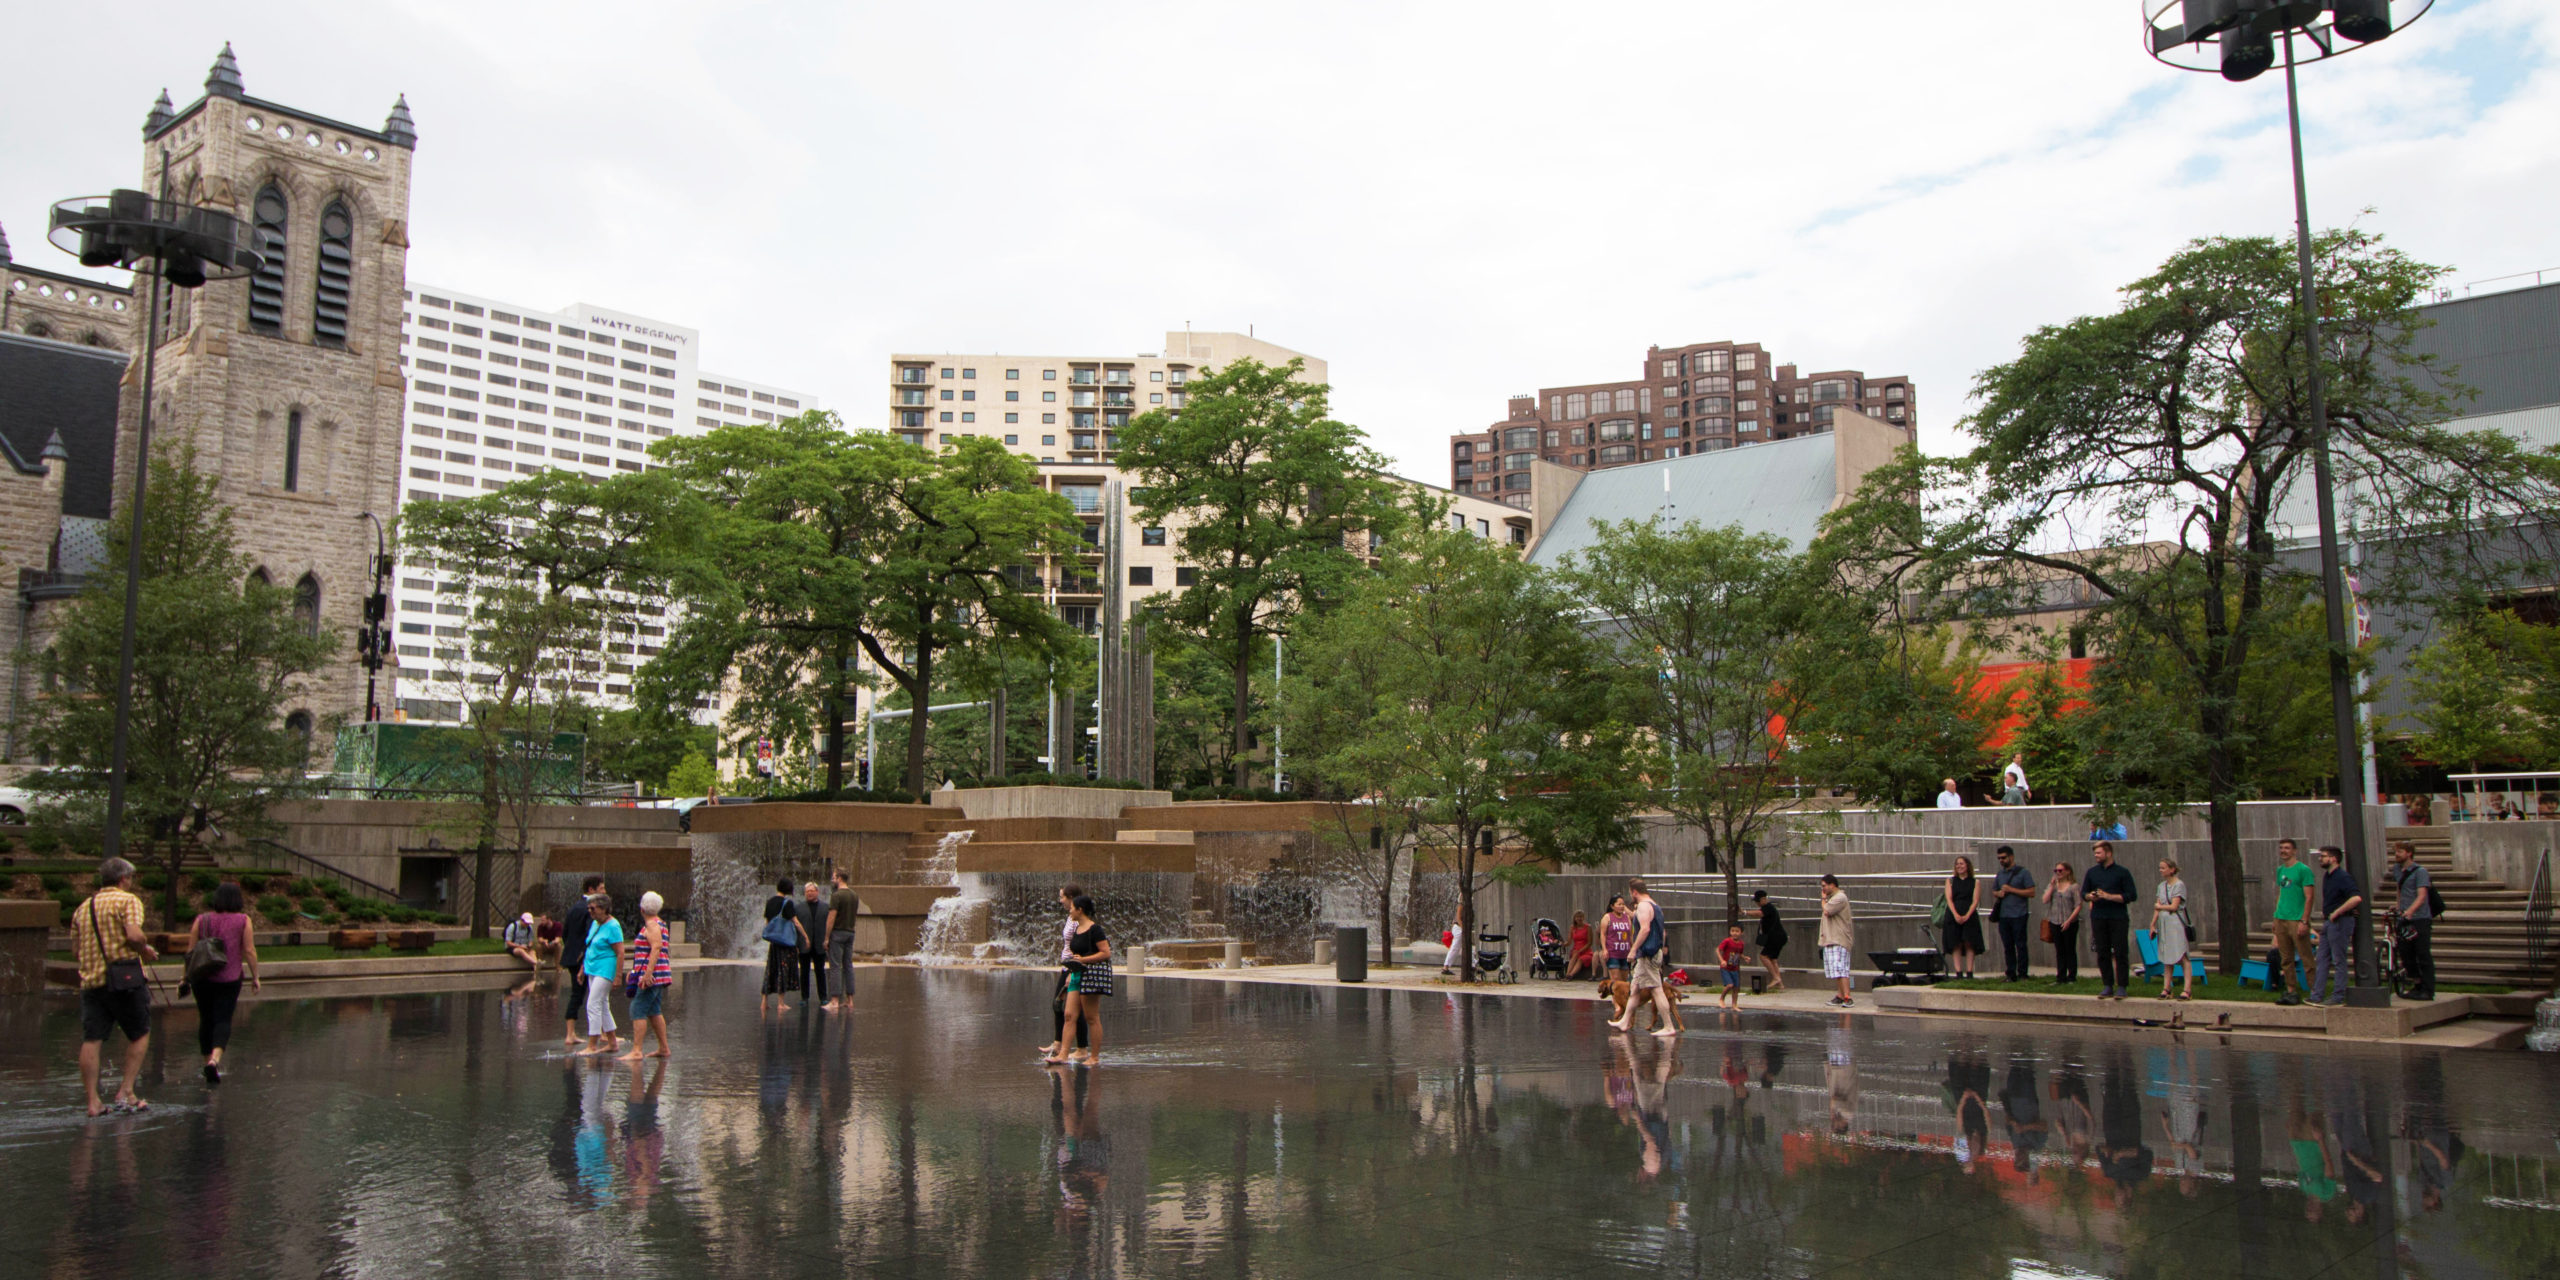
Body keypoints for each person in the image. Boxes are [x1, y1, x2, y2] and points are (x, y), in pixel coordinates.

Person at [74, 858, 156, 1117]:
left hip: (91, 981)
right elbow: (133, 935)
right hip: (125, 980)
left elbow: (75, 950)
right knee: (140, 1032)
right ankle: (127, 1091)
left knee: (92, 1039)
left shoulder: (83, 908)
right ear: (123, 879)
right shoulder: (127, 901)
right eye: (130, 878)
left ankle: (92, 1102)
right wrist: (144, 947)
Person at [184, 880, 259, 1084]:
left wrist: (185, 978)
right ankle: (215, 1061)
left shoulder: (202, 919)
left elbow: (190, 952)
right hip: (229, 977)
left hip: (202, 977)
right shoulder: (243, 920)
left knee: (206, 1018)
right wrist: (255, 976)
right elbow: (249, 950)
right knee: (223, 1018)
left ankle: (206, 1060)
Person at [1610, 879, 1678, 1038]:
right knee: (1634, 989)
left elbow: (1645, 928)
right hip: (1651, 953)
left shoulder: (1643, 906)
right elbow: (1656, 928)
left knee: (1656, 989)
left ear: (1634, 892)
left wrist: (1633, 950)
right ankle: (1625, 1021)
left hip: (1648, 954)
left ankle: (1668, 1026)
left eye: (1630, 893)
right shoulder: (1654, 905)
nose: (1630, 896)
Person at [1052, 894, 1111, 1067]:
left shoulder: (1095, 929)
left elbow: (1106, 953)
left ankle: (1094, 1057)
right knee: (1069, 1015)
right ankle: (1062, 1054)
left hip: (1091, 975)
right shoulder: (1077, 929)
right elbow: (1075, 955)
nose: (1069, 910)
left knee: (1091, 1017)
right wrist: (1071, 972)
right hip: (1077, 975)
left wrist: (1082, 961)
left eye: (1072, 908)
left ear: (1080, 910)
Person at [619, 891, 675, 1060]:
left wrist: (646, 974)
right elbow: (651, 950)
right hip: (659, 973)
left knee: (637, 1009)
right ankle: (664, 1048)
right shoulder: (660, 923)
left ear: (642, 908)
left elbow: (656, 947)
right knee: (654, 1010)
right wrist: (636, 970)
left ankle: (636, 1050)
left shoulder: (651, 925)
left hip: (652, 975)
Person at [1039, 883, 1091, 1060]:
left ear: (1071, 898)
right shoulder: (1071, 917)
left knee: (1073, 1009)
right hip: (1067, 965)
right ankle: (1059, 1043)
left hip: (1073, 967)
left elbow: (1079, 945)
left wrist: (1071, 970)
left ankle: (1080, 1048)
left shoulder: (1078, 919)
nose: (1060, 900)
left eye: (1062, 897)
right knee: (1062, 1006)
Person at [2081, 841, 2138, 1000]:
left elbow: (2131, 895)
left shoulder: (2122, 872)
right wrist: (2090, 896)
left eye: (2099, 853)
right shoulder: (2092, 872)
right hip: (2098, 917)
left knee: (2120, 952)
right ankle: (2107, 984)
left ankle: (2122, 986)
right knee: (2102, 952)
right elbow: (2083, 893)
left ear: (2108, 853)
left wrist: (2109, 896)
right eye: (2095, 853)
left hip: (2117, 917)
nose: (2096, 856)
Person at [2310, 845, 2362, 1007]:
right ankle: (2317, 994)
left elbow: (2356, 898)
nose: (2320, 859)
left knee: (2339, 960)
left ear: (2333, 858)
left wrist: (2337, 912)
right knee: (2322, 958)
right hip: (2329, 922)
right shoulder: (2328, 876)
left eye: (2323, 856)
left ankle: (2338, 996)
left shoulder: (2342, 877)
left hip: (2340, 921)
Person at [2267, 838, 2315, 1005]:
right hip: (2282, 918)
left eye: (2287, 848)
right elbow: (2281, 892)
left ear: (2294, 851)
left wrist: (2304, 920)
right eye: (2281, 848)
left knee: (2305, 956)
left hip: (2296, 918)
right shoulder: (2281, 870)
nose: (2283, 851)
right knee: (2285, 958)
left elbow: (2309, 897)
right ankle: (2291, 991)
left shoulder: (2303, 870)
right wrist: (2275, 917)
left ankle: (2314, 990)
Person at [2390, 839, 2436, 1001]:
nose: (2396, 855)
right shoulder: (2397, 869)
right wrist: (2398, 906)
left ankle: (2428, 989)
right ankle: (2416, 984)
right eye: (2395, 851)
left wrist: (2410, 911)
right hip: (2404, 917)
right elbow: (2399, 889)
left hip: (2420, 918)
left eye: (2400, 852)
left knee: (2422, 953)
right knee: (2406, 953)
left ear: (2409, 853)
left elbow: (2422, 895)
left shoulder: (2420, 871)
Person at [561, 874, 605, 1046]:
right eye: (601, 888)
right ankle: (596, 1033)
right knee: (594, 995)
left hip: (571, 956)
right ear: (591, 890)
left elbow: (565, 933)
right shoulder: (590, 909)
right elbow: (591, 935)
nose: (604, 891)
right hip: (584, 958)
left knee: (578, 994)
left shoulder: (573, 907)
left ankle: (572, 1032)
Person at [580, 895, 626, 1056]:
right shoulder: (596, 923)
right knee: (602, 1005)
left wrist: (618, 976)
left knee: (593, 1004)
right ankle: (612, 1042)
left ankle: (592, 1044)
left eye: (593, 908)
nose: (590, 912)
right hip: (592, 968)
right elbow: (590, 946)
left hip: (605, 970)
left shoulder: (613, 926)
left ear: (604, 908)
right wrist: (582, 969)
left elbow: (620, 952)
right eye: (589, 909)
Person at [759, 877, 807, 1014]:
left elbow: (767, 922)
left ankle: (764, 1002)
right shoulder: (787, 903)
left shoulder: (769, 902)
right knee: (783, 970)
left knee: (770, 969)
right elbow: (796, 922)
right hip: (786, 943)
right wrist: (805, 936)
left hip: (774, 943)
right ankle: (781, 1003)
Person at [1990, 846, 2036, 981]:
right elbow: (1994, 890)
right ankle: (2010, 973)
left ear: (2011, 857)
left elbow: (2031, 892)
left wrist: (2012, 890)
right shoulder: (2000, 874)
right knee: (2007, 946)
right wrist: (1999, 893)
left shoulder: (2023, 873)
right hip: (2004, 915)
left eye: (2003, 858)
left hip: (2019, 914)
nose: (2001, 860)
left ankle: (2023, 973)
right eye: (1999, 858)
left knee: (2020, 945)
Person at [2151, 858, 2194, 1001]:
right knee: (2166, 956)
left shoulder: (2179, 885)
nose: (2161, 870)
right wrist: (2153, 924)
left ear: (2172, 869)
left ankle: (2187, 989)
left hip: (2176, 923)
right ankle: (2166, 988)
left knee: (2182, 956)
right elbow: (2157, 906)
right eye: (2160, 868)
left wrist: (2160, 907)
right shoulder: (2161, 886)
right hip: (2164, 923)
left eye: (2163, 868)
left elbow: (2174, 906)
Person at [1940, 856, 1982, 979]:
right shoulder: (1950, 881)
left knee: (1969, 942)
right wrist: (1956, 915)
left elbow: (1975, 901)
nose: (1959, 866)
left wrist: (1967, 915)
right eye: (1957, 864)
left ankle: (1969, 972)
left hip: (1969, 914)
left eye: (1962, 864)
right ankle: (1958, 972)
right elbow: (1949, 899)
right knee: (1955, 943)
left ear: (1967, 865)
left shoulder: (1975, 882)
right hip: (1953, 914)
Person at [1818, 874, 1855, 1008]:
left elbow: (1827, 910)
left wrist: (1823, 899)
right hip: (1831, 939)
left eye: (1824, 886)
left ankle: (1847, 996)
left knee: (1841, 969)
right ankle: (1840, 995)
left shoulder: (1840, 897)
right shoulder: (1834, 898)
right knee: (1835, 970)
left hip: (1839, 939)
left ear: (1832, 884)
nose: (1823, 889)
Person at [825, 871, 861, 1010]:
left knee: (835, 966)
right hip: (850, 932)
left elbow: (831, 918)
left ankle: (834, 1000)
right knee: (848, 966)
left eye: (834, 877)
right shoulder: (854, 895)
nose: (832, 880)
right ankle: (849, 999)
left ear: (839, 878)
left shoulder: (836, 896)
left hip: (838, 933)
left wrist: (826, 938)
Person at [2044, 858, 2082, 985]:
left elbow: (2078, 905)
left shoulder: (2073, 887)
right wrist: (2052, 886)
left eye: (2060, 870)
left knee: (2069, 949)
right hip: (2055, 921)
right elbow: (2045, 900)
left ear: (2067, 871)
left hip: (2069, 921)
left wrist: (2069, 921)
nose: (2058, 873)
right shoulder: (2053, 886)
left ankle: (2072, 976)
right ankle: (2060, 976)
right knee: (2059, 950)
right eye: (2056, 870)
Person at [1598, 895, 1636, 1021]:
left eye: (1622, 904)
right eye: (1618, 904)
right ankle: (1618, 1007)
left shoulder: (1627, 918)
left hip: (1625, 953)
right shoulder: (1607, 917)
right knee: (1615, 981)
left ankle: (1625, 1006)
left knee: (1624, 983)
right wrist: (1604, 949)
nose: (1621, 906)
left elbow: (1630, 935)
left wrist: (1633, 949)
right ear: (1612, 905)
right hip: (1613, 952)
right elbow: (1603, 934)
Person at [795, 882, 831, 1004]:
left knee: (820, 971)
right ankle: (804, 997)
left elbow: (830, 925)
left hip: (819, 944)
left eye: (812, 891)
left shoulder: (826, 907)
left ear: (817, 892)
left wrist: (828, 941)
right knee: (804, 972)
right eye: (807, 891)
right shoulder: (798, 908)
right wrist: (796, 944)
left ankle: (823, 998)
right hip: (804, 945)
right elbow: (794, 927)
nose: (809, 893)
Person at [1752, 889, 1787, 992]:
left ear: (1763, 899)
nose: (1757, 904)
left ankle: (1776, 978)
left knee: (1763, 956)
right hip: (1777, 937)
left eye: (1757, 901)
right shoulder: (1768, 908)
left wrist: (1744, 912)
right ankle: (1780, 984)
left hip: (1776, 937)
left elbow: (1759, 914)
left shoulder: (1768, 907)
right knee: (1773, 959)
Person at [1715, 922, 1747, 1011]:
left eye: (1737, 931)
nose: (1734, 933)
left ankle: (1734, 1005)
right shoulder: (1727, 941)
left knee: (1736, 988)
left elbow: (1739, 953)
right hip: (1725, 968)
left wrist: (1745, 958)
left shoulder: (1741, 944)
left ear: (1741, 933)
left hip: (1734, 968)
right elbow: (1718, 950)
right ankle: (1721, 998)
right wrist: (1722, 960)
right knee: (1730, 985)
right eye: (1732, 931)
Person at [1565, 909, 1596, 981]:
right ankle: (1567, 974)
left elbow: (1590, 943)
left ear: (1583, 918)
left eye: (1581, 917)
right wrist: (1563, 944)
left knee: (1580, 959)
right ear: (1575, 918)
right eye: (1577, 917)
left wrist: (1580, 950)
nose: (1579, 919)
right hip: (1576, 949)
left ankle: (1570, 975)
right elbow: (1569, 941)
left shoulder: (1588, 927)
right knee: (1574, 955)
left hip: (1586, 950)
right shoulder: (1572, 927)